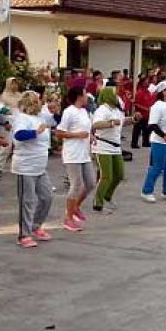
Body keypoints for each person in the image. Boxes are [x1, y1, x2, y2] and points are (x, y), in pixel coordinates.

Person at [12, 91, 55, 248]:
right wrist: (36, 132)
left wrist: (54, 111)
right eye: (37, 101)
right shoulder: (22, 118)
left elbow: (55, 120)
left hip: (40, 166)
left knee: (47, 197)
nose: (40, 103)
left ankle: (36, 226)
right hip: (25, 167)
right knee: (27, 201)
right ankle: (24, 234)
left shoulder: (40, 117)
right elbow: (19, 135)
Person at [92, 87, 138, 212]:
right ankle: (98, 202)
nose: (117, 96)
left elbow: (122, 122)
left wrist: (133, 119)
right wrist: (110, 123)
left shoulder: (117, 110)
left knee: (119, 174)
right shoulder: (102, 109)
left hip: (115, 146)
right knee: (106, 176)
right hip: (102, 146)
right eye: (114, 94)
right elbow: (96, 124)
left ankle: (107, 195)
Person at [56, 86, 94, 232]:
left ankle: (76, 206)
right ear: (79, 96)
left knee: (90, 183)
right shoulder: (69, 112)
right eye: (85, 95)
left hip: (84, 153)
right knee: (76, 184)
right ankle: (68, 218)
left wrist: (91, 136)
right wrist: (77, 135)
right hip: (72, 154)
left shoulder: (84, 111)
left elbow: (86, 130)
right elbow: (59, 133)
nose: (87, 97)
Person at [0, 77, 21, 176]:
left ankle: (18, 166)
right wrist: (5, 122)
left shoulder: (20, 95)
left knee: (19, 144)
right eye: (12, 84)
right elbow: (1, 110)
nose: (14, 86)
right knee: (6, 146)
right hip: (8, 123)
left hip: (19, 121)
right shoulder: (3, 96)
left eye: (16, 83)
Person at [132, 80, 155, 148]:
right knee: (137, 130)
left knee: (147, 130)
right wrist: (145, 108)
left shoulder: (148, 92)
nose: (147, 84)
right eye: (145, 82)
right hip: (140, 114)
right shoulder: (140, 92)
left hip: (147, 115)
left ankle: (145, 142)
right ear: (142, 84)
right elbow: (136, 104)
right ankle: (134, 143)